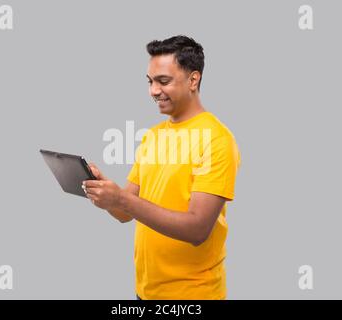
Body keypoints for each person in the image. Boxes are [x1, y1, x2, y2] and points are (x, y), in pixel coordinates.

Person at [82, 35, 241, 300]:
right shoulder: (152, 136)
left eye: (163, 81)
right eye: (150, 81)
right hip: (145, 293)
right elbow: (125, 213)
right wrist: (106, 194)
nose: (153, 91)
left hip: (193, 296)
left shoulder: (217, 139)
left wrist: (120, 198)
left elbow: (197, 229)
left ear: (193, 80)